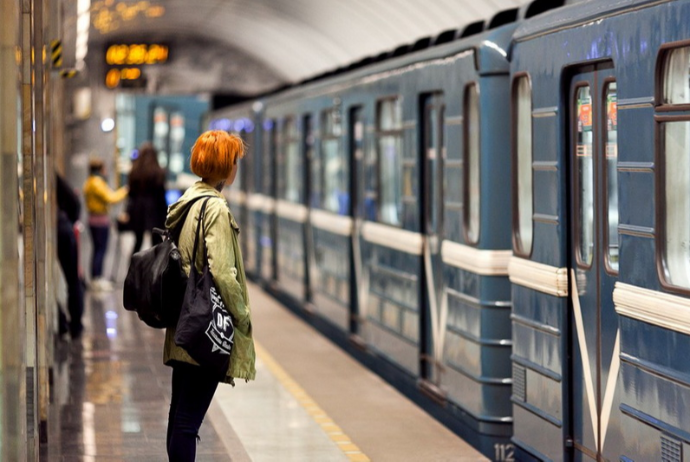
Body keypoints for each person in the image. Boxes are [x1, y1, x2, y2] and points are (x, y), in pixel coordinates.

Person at [164, 130, 256, 461]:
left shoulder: (188, 201)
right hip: (204, 327)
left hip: (184, 322)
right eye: (234, 160)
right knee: (188, 422)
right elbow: (222, 273)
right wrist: (242, 313)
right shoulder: (215, 209)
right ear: (226, 165)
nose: (236, 167)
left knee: (179, 418)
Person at [83, 158, 128, 291]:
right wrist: (125, 191)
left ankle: (95, 277)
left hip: (93, 220)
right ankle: (97, 278)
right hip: (100, 221)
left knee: (97, 249)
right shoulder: (97, 183)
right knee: (100, 250)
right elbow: (111, 198)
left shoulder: (89, 182)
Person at [56, 172, 85, 338]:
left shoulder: (49, 176)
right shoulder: (51, 176)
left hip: (61, 229)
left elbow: (74, 204)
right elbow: (74, 204)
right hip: (63, 227)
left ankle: (74, 324)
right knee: (72, 279)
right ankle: (72, 324)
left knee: (72, 279)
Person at [126, 142, 168, 255]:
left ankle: (132, 269)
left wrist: (127, 212)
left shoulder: (134, 172)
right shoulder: (159, 173)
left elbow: (130, 194)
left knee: (137, 242)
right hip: (154, 210)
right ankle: (155, 270)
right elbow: (161, 196)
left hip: (137, 210)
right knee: (156, 243)